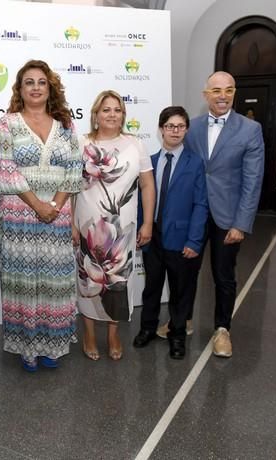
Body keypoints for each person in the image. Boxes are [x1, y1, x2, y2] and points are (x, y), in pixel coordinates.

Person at [0, 59, 82, 372]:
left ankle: (52, 345)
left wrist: (55, 206)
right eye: (28, 82)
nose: (35, 87)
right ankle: (28, 347)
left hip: (57, 217)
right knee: (24, 281)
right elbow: (6, 169)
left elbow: (73, 169)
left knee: (53, 281)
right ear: (20, 88)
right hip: (20, 216)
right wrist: (38, 205)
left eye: (41, 82)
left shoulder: (66, 125)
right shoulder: (9, 123)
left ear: (50, 87)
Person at [184, 71, 264, 358]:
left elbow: (253, 181)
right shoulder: (190, 129)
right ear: (206, 94)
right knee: (186, 271)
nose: (223, 96)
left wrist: (241, 223)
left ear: (234, 93)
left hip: (227, 217)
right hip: (193, 214)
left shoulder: (250, 130)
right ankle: (183, 321)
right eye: (216, 90)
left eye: (229, 90)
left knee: (223, 275)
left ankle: (222, 330)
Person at [72, 90, 155, 362]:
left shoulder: (135, 144)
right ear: (95, 115)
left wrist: (147, 222)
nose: (112, 114)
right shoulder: (81, 143)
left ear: (123, 115)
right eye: (106, 110)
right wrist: (72, 224)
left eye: (117, 110)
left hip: (123, 229)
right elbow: (70, 187)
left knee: (118, 283)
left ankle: (113, 334)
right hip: (87, 226)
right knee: (87, 281)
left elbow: (147, 185)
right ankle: (89, 334)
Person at [132, 106, 208, 359]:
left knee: (180, 290)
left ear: (186, 130)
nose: (175, 131)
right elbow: (143, 200)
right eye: (170, 126)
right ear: (161, 129)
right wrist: (142, 230)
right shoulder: (150, 163)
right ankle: (147, 328)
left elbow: (201, 204)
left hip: (181, 239)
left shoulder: (195, 163)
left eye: (180, 126)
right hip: (152, 238)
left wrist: (195, 240)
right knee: (151, 287)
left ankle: (177, 335)